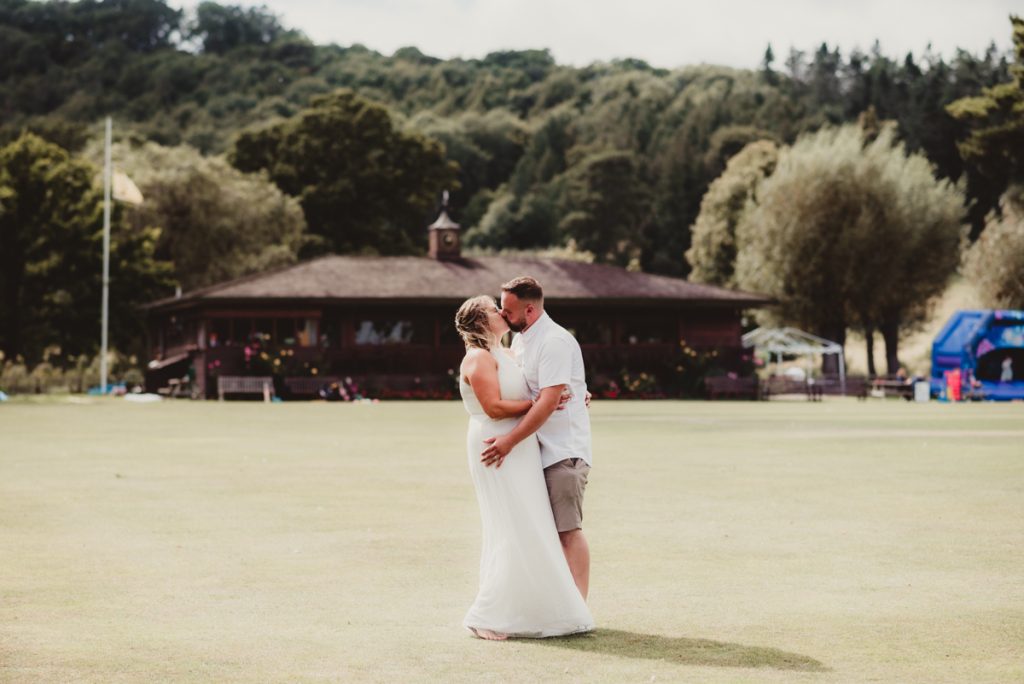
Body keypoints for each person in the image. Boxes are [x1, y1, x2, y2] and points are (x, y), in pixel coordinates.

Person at [456, 295, 593, 641]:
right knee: (509, 524)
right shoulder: (478, 358)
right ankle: (485, 614)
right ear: (480, 322)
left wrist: (574, 392)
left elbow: (542, 381)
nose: (500, 312)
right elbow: (494, 407)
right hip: (497, 446)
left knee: (530, 527)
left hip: (521, 448)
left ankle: (533, 606)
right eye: (492, 309)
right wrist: (539, 404)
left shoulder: (508, 352)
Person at [482, 276, 593, 602]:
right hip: (534, 454)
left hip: (562, 453)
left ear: (529, 310)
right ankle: (554, 602)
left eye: (508, 309)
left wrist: (508, 441)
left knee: (567, 532)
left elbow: (547, 403)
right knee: (543, 534)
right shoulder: (520, 341)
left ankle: (578, 606)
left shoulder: (554, 342)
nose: (503, 314)